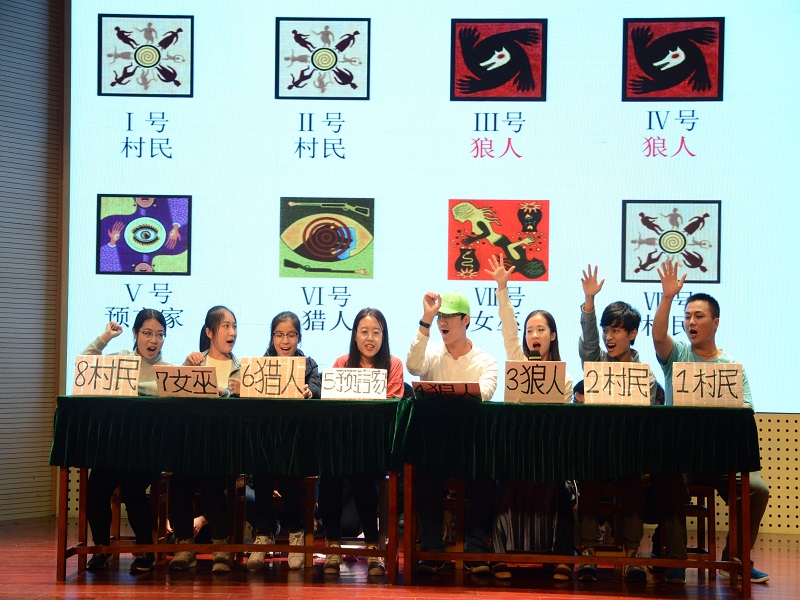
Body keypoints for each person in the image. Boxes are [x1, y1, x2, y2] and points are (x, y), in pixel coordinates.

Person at [653, 258, 770, 584]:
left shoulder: (732, 365)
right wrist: (667, 297)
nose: (691, 322)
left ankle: (736, 556)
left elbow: (746, 409)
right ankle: (676, 560)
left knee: (757, 489)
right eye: (687, 316)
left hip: (722, 458)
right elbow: (659, 337)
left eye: (699, 316)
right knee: (667, 476)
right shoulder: (678, 355)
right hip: (681, 455)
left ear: (715, 323)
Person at [485, 255, 576, 581]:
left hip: (551, 454)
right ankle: (500, 556)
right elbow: (508, 330)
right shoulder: (518, 364)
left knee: (558, 485)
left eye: (541, 329)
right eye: (529, 330)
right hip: (518, 451)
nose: (533, 334)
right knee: (506, 482)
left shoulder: (564, 378)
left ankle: (562, 557)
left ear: (553, 336)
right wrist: (502, 288)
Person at [576, 264, 659, 582]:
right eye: (606, 330)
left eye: (616, 331)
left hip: (629, 452)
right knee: (588, 475)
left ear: (632, 334)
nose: (609, 337)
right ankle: (587, 552)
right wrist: (589, 302)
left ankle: (632, 555)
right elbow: (588, 343)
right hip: (596, 450)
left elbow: (649, 417)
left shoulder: (645, 374)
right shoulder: (596, 363)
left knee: (632, 477)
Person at [406, 290, 499, 576]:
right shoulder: (431, 352)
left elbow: (485, 392)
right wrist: (425, 320)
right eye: (440, 318)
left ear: (466, 319)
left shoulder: (486, 360)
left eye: (448, 317)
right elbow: (413, 366)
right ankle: (432, 550)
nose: (442, 323)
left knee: (486, 473)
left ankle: (475, 548)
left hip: (470, 443)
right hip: (435, 443)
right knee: (423, 471)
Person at [318, 308, 403, 577]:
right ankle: (332, 545)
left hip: (376, 446)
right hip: (344, 443)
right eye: (364, 332)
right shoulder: (341, 363)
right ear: (355, 336)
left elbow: (392, 405)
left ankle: (374, 549)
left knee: (362, 470)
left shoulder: (394, 364)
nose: (370, 338)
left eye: (376, 332)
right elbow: (331, 404)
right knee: (330, 470)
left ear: (383, 336)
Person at [83, 309, 169, 572]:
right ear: (135, 333)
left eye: (159, 335)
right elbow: (85, 364)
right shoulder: (121, 361)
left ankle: (145, 552)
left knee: (133, 488)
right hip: (116, 447)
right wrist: (105, 337)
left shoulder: (167, 371)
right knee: (95, 487)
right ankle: (102, 548)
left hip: (149, 450)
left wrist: (134, 387)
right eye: (147, 333)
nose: (153, 340)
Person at [168, 306, 241, 574]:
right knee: (179, 478)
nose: (232, 332)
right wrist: (185, 368)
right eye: (225, 326)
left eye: (234, 326)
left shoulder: (241, 369)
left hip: (225, 445)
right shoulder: (195, 364)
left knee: (213, 480)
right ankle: (184, 546)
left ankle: (221, 546)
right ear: (209, 332)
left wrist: (234, 392)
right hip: (192, 443)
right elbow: (175, 399)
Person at [247, 311, 321, 572]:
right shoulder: (260, 365)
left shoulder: (308, 364)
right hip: (268, 443)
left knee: (286, 462)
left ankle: (296, 532)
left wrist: (310, 392)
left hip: (298, 444)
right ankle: (263, 534)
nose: (285, 340)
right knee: (263, 462)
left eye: (291, 335)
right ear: (272, 337)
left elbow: (317, 388)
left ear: (299, 337)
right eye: (279, 335)